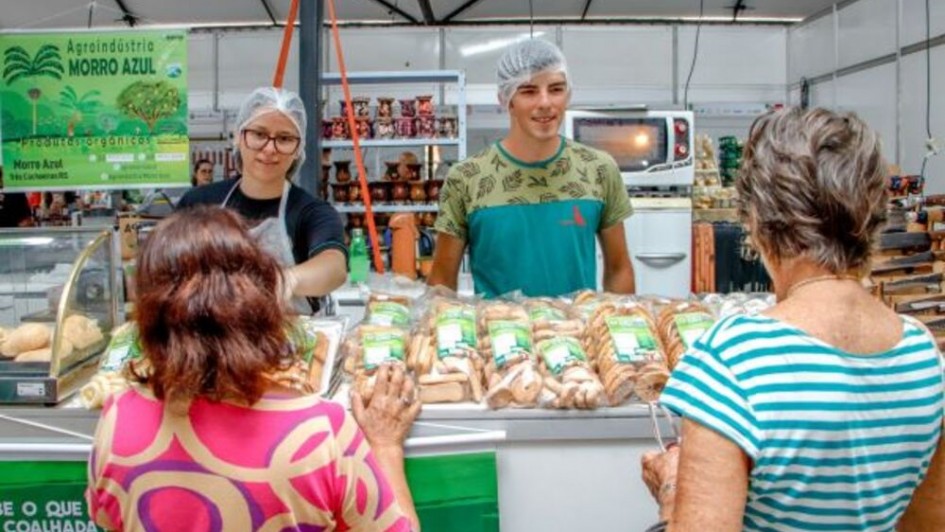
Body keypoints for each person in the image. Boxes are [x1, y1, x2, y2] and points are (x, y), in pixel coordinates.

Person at [641, 108, 945, 531]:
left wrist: (674, 494)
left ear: (758, 222)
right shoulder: (924, 355)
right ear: (876, 213)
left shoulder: (733, 359)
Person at [86, 206, 421, 531]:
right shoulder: (319, 432)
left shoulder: (117, 420)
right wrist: (386, 446)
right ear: (259, 300)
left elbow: (107, 518)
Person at [427, 39, 635, 298]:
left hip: (576, 336)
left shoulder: (598, 170)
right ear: (506, 100)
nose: (545, 102)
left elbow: (619, 270)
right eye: (528, 91)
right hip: (499, 335)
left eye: (556, 89)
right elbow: (442, 283)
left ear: (568, 94)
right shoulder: (468, 178)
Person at [178, 87, 347, 314]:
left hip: (286, 341)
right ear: (238, 136)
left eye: (284, 139)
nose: (269, 149)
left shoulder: (312, 212)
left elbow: (333, 267)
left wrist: (283, 280)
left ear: (298, 149)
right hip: (205, 339)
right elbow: (165, 267)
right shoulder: (198, 203)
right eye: (259, 134)